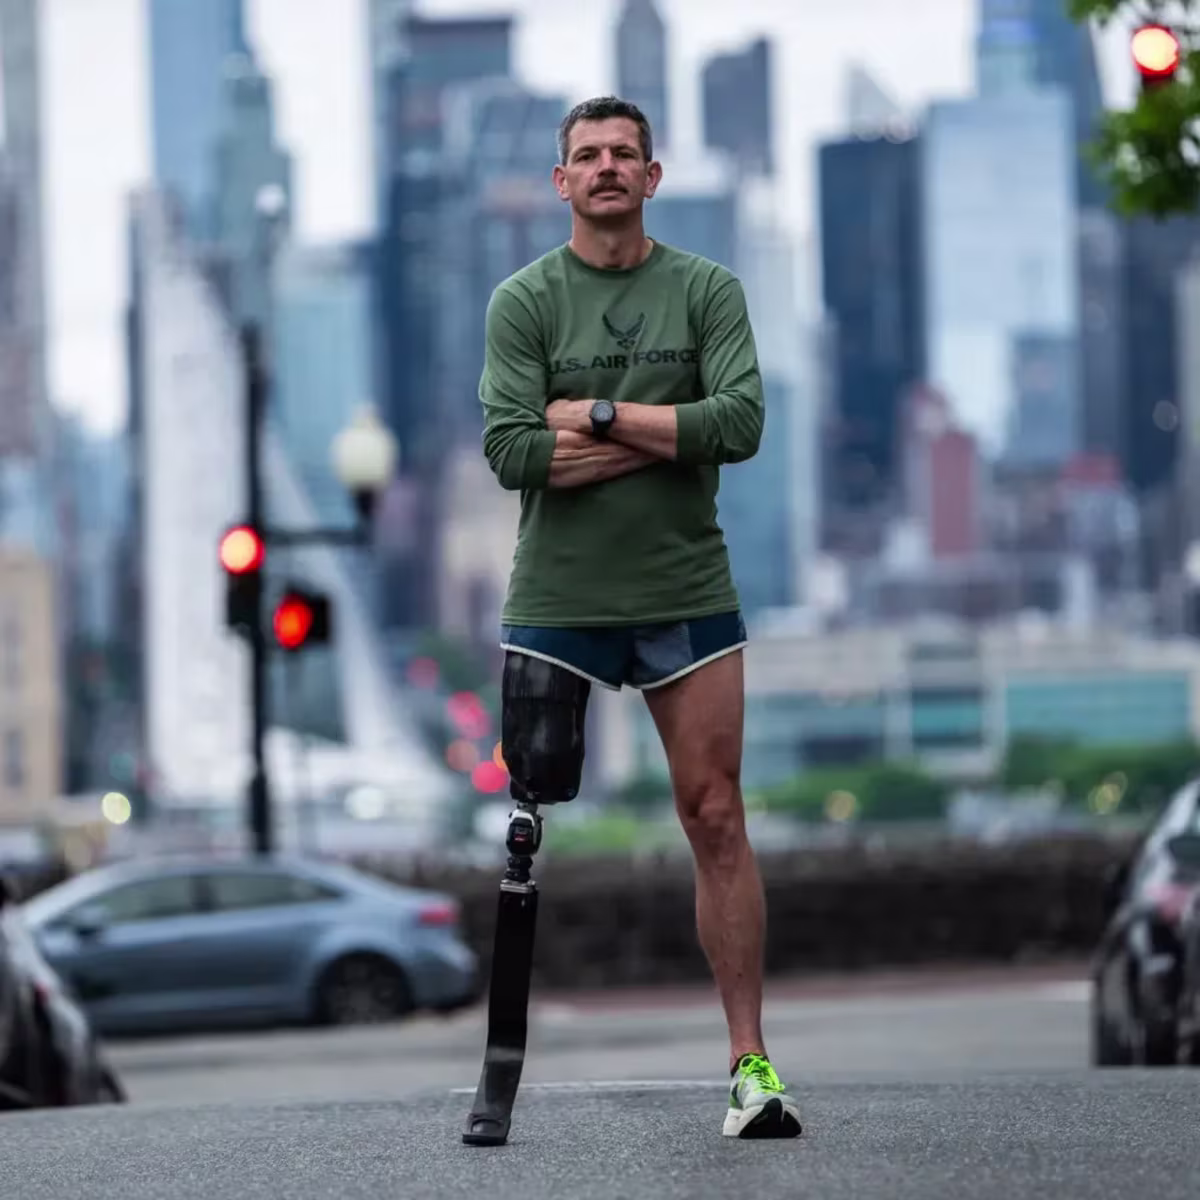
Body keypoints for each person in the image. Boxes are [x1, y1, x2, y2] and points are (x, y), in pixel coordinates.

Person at [478, 95, 801, 1140]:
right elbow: (515, 453)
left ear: (653, 177)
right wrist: (671, 436)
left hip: (685, 592)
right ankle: (500, 1081)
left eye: (626, 154)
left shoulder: (707, 290)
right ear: (562, 181)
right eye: (588, 156)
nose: (608, 168)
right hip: (558, 601)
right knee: (525, 832)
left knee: (715, 817)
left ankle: (751, 1066)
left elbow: (742, 425)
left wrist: (605, 417)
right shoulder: (523, 302)